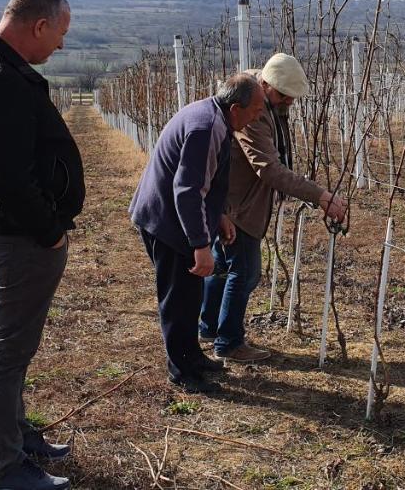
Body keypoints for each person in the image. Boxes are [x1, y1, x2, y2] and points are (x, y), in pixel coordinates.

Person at [0, 0, 83, 490]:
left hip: (16, 232)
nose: (61, 47)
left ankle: (16, 436)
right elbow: (8, 180)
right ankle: (4, 469)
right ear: (39, 25)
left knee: (17, 348)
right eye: (60, 35)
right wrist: (49, 234)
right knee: (7, 353)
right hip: (20, 237)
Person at [199, 53, 347, 362]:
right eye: (283, 95)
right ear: (265, 85)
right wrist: (320, 195)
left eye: (291, 97)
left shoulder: (269, 98)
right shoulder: (253, 108)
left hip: (231, 199)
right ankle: (228, 342)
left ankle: (209, 327)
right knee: (246, 272)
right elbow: (268, 168)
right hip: (237, 203)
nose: (289, 102)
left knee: (223, 265)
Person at [130, 73, 265, 393]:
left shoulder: (214, 117)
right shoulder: (207, 128)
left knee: (190, 296)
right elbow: (187, 191)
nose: (259, 115)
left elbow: (201, 181)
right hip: (165, 222)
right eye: (256, 109)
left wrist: (218, 215)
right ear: (236, 108)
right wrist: (201, 246)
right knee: (178, 300)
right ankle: (182, 372)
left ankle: (193, 357)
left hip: (174, 217)